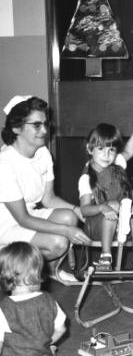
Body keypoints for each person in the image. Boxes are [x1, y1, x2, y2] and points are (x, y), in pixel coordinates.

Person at [0, 96, 91, 283]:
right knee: (59, 243)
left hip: (28, 215)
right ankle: (6, 262)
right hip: (6, 225)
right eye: (36, 125)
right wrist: (66, 231)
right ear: (16, 128)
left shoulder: (42, 154)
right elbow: (23, 219)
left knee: (69, 216)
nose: (44, 130)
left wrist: (77, 210)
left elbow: (49, 199)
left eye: (45, 124)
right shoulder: (5, 163)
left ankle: (49, 271)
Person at [78, 103, 133, 272]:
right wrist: (102, 207)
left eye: (112, 150)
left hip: (124, 223)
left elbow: (129, 151)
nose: (107, 155)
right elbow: (85, 210)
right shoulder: (86, 178)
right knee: (114, 205)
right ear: (89, 149)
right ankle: (105, 256)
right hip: (98, 225)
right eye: (101, 149)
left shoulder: (116, 164)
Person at [0, 241, 66, 356]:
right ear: (38, 273)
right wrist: (45, 343)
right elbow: (61, 329)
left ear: (4, 276)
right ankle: (49, 354)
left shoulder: (4, 309)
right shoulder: (49, 301)